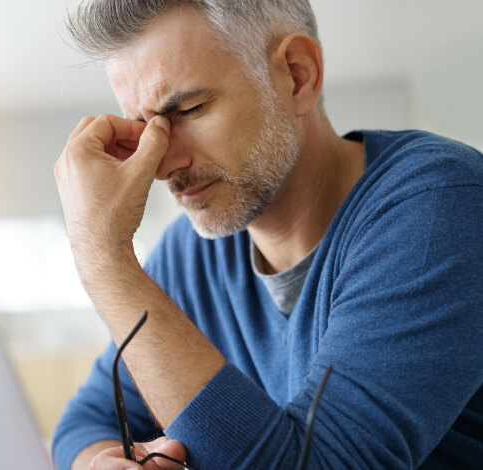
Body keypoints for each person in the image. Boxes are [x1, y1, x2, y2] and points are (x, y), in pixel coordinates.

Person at [52, 1, 483, 469]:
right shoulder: (188, 254)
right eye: (143, 129)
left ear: (298, 77)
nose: (162, 165)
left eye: (189, 109)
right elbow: (86, 421)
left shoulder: (441, 201)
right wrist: (99, 463)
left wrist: (102, 255)